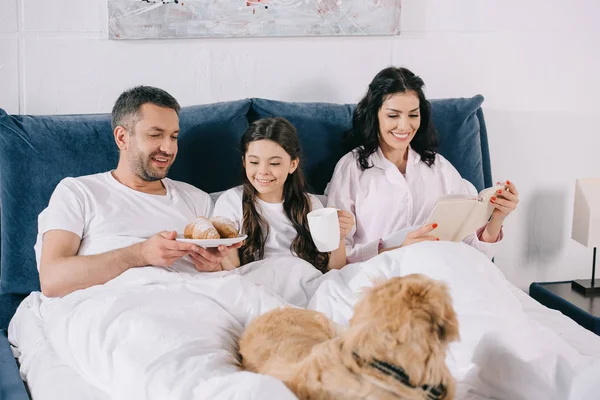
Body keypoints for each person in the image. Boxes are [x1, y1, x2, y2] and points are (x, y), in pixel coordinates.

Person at [36, 85, 239, 298]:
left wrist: (213, 267)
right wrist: (139, 254)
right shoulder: (79, 193)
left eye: (173, 136)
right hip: (119, 307)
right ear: (122, 137)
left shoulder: (198, 200)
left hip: (197, 300)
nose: (168, 148)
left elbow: (232, 276)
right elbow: (52, 280)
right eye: (155, 135)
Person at [326, 67, 519, 263]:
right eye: (393, 115)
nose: (404, 126)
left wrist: (497, 218)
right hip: (382, 278)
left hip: (443, 271)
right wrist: (399, 250)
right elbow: (339, 255)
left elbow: (473, 252)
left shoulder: (440, 167)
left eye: (413, 115)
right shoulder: (351, 168)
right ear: (374, 115)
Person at [214, 117, 354, 273]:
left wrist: (339, 237)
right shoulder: (231, 201)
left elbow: (334, 271)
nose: (263, 171)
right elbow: (232, 271)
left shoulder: (310, 205)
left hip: (306, 283)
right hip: (254, 286)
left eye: (274, 163)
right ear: (244, 162)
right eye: (254, 162)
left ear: (292, 164)